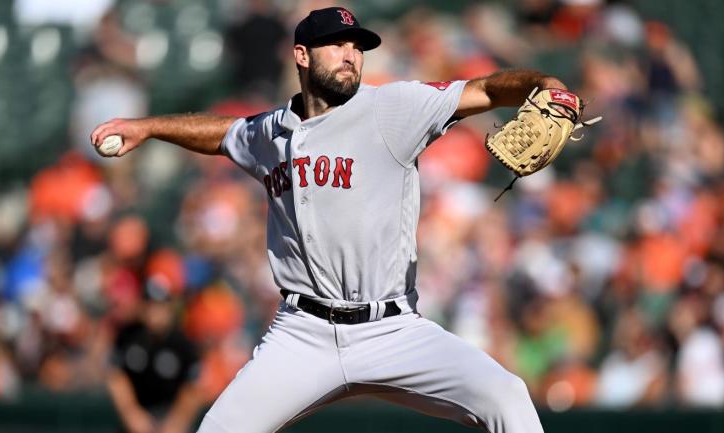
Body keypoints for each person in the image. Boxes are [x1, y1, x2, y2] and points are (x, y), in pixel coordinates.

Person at [92, 6, 567, 432]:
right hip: (303, 334)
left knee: (506, 396)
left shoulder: (392, 108)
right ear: (302, 55)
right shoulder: (272, 131)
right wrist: (148, 127)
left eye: (357, 46)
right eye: (337, 44)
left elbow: (482, 89)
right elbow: (225, 133)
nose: (351, 54)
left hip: (392, 329)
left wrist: (543, 85)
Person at [108, 278, 202, 433]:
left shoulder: (182, 343)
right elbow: (116, 376)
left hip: (169, 416)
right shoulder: (128, 335)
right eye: (149, 305)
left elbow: (193, 388)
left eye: (159, 305)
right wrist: (131, 412)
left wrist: (176, 422)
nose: (154, 311)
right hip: (138, 418)